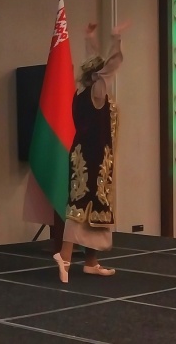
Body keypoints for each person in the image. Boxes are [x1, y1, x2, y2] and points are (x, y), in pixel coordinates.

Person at [53, 20, 128, 283]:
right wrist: (116, 39)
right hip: (92, 158)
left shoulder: (83, 92)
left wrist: (90, 38)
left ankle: (91, 261)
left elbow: (94, 63)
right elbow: (109, 66)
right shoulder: (97, 92)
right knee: (83, 205)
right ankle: (64, 257)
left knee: (94, 207)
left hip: (86, 155)